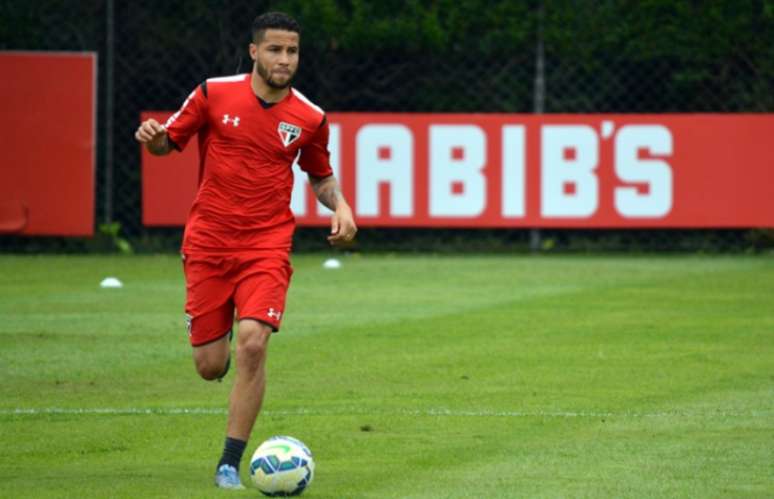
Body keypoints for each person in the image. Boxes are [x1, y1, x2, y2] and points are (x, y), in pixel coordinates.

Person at [134, 11, 356, 489]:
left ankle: (229, 463)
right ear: (254, 51)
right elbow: (167, 143)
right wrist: (153, 140)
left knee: (254, 342)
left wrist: (340, 206)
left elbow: (319, 174)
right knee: (211, 365)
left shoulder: (310, 117)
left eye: (292, 51)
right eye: (275, 49)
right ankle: (219, 347)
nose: (284, 59)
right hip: (209, 242)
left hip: (267, 244)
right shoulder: (213, 93)